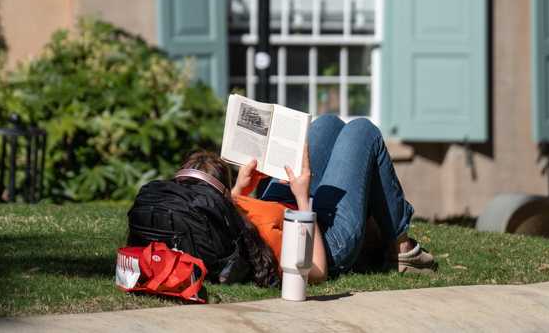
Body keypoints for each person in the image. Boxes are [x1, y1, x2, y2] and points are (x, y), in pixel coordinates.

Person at [172, 114, 436, 285]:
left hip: (279, 206)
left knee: (327, 124)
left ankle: (371, 234)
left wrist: (242, 189)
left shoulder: (209, 220)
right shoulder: (259, 239)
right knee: (362, 130)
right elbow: (317, 270)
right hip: (320, 236)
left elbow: (236, 227)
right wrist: (302, 198)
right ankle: (401, 252)